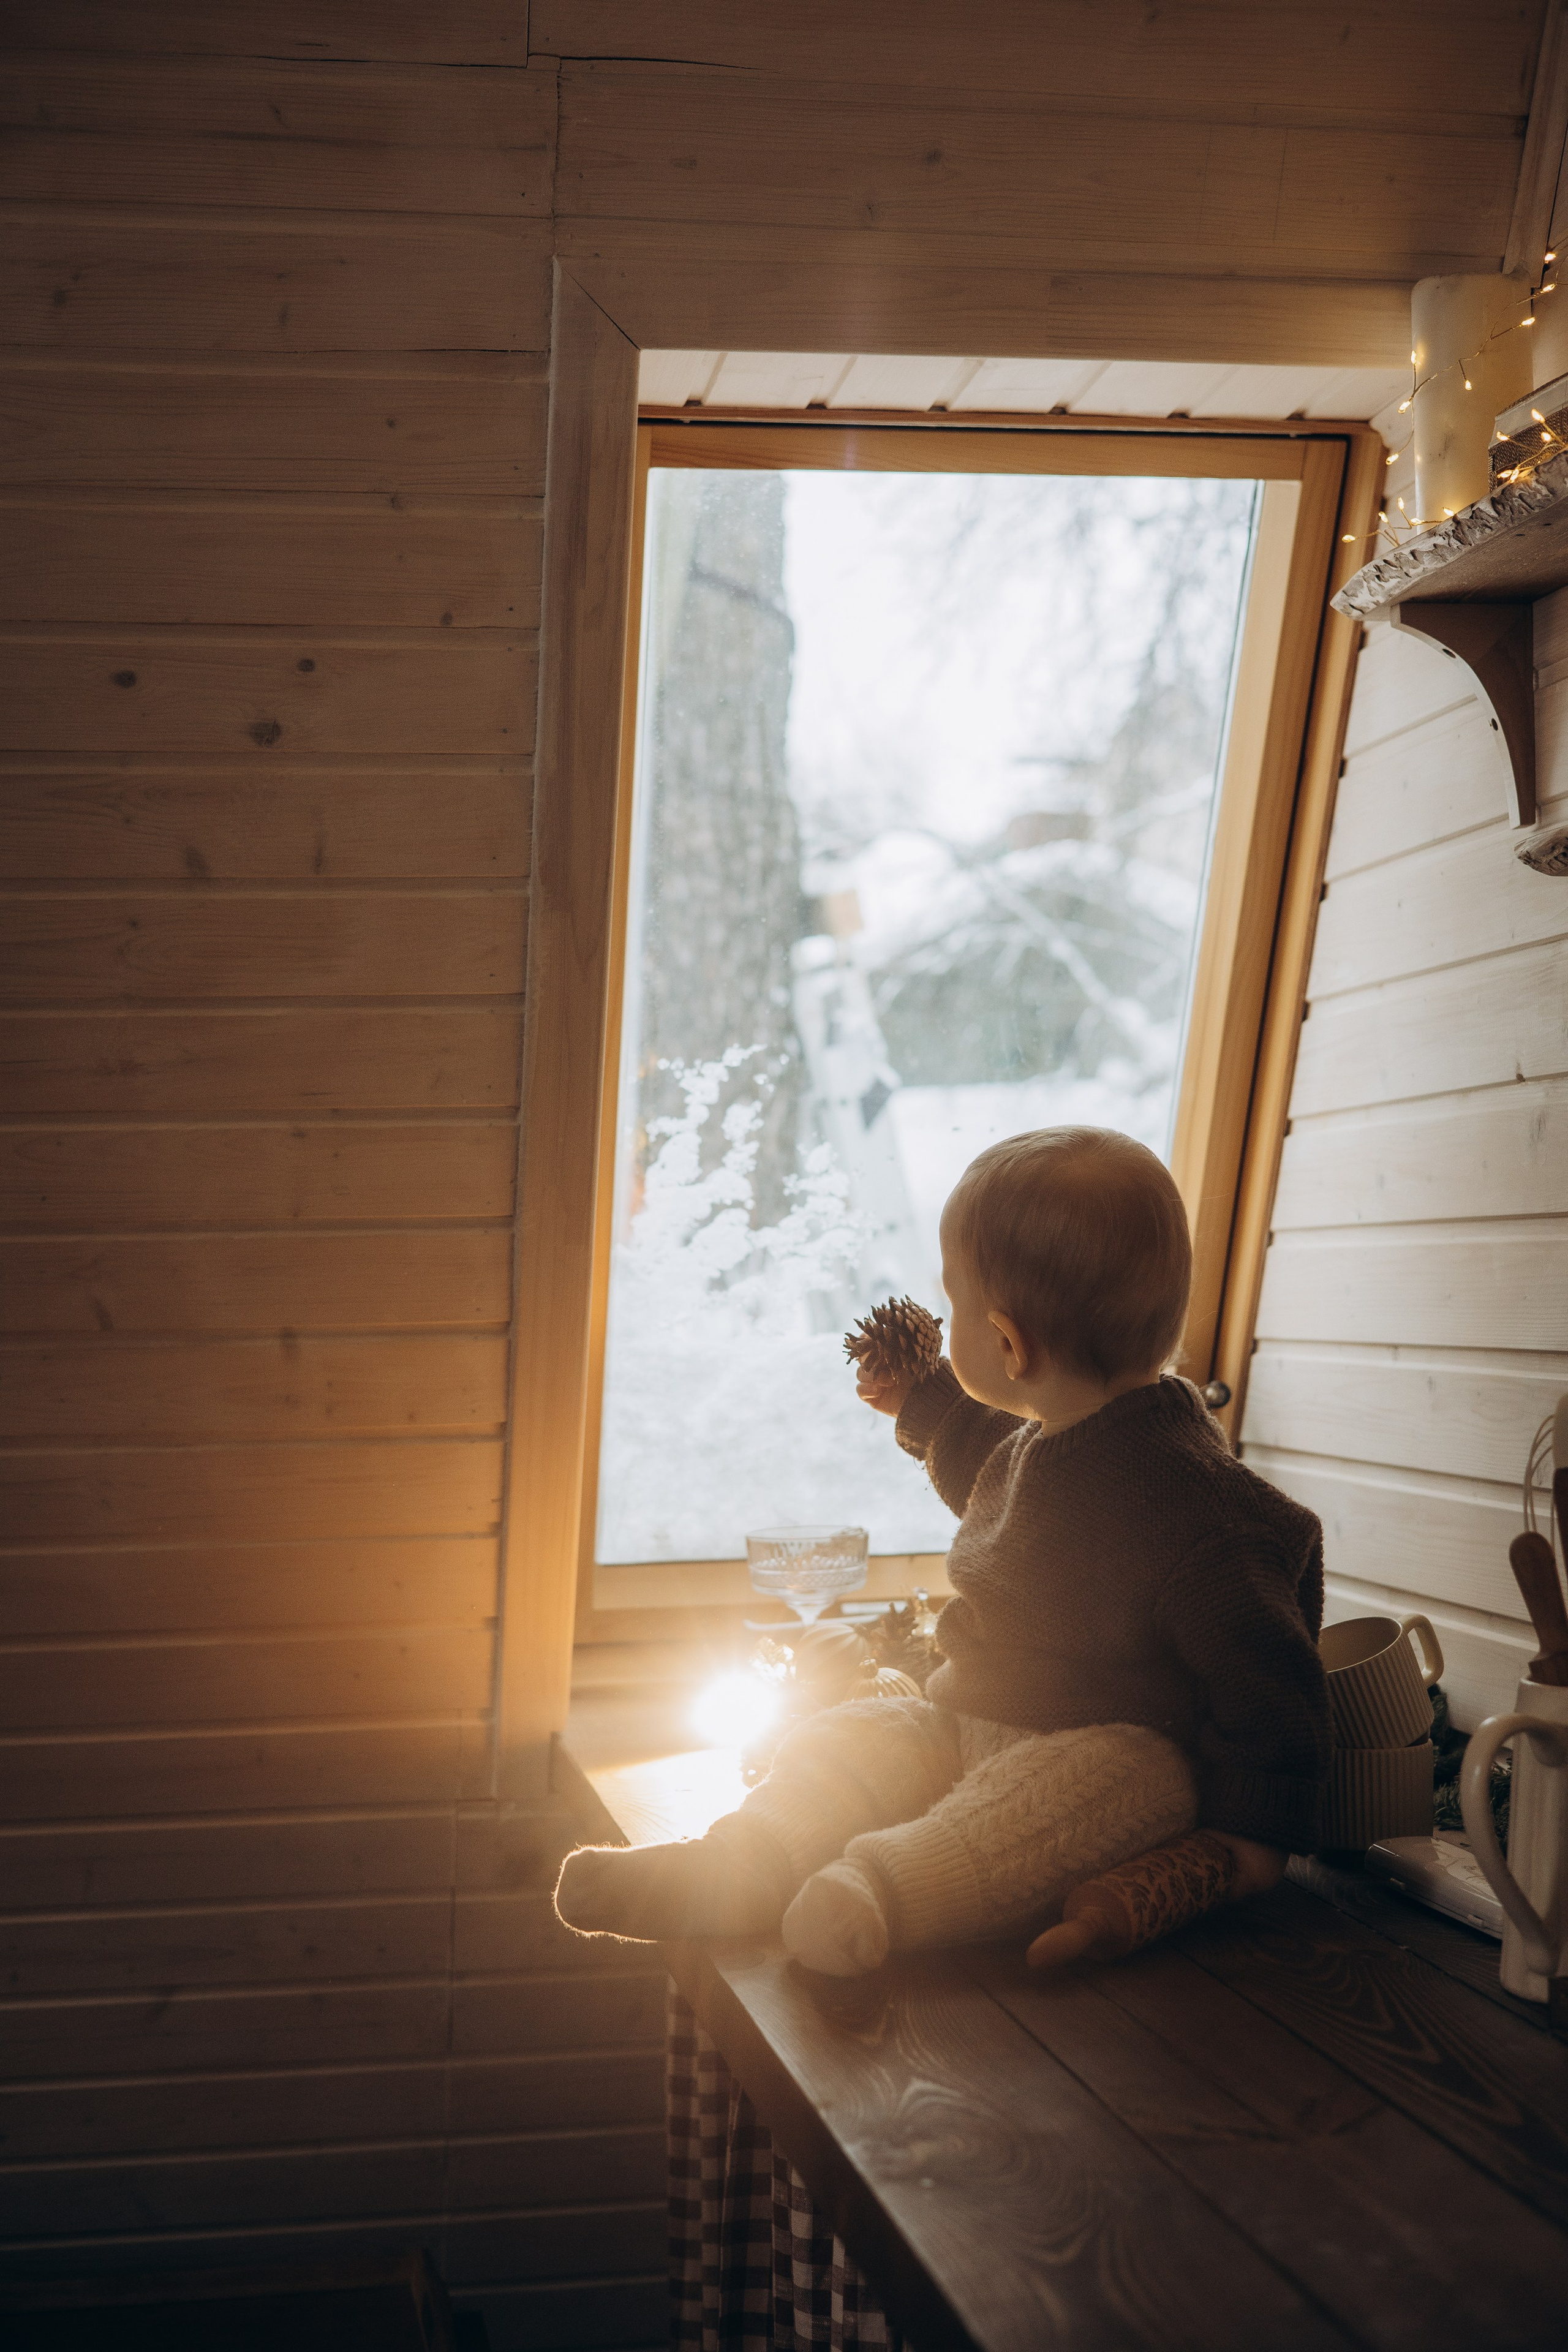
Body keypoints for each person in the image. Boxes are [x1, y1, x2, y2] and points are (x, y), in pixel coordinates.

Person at [555, 1126, 1330, 1975]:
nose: (942, 1316)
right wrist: (921, 1406)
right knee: (853, 1739)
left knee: (1069, 1800)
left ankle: (875, 1895)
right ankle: (741, 1864)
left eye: (952, 1302)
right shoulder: (1056, 1441)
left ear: (1006, 1344)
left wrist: (1253, 1836)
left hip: (1101, 1758)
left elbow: (1271, 1683)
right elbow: (988, 1467)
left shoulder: (1212, 1517)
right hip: (961, 1721)